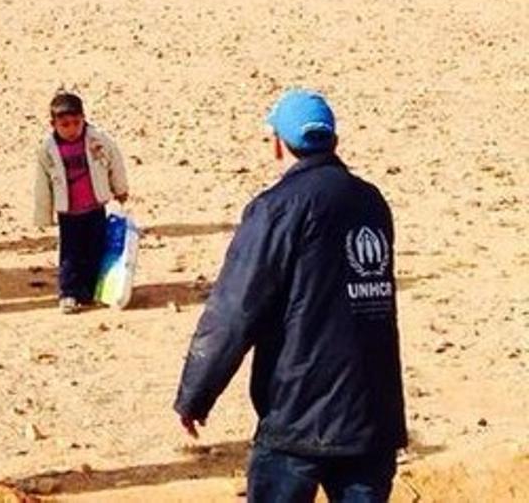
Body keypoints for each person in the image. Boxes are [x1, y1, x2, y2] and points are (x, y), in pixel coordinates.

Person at [174, 89, 407, 503]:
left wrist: (196, 393)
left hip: (297, 416)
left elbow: (235, 310)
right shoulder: (371, 202)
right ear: (333, 140)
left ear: (278, 143)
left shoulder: (277, 208)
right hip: (373, 415)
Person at [33, 92, 130, 314]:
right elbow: (42, 184)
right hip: (69, 212)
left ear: (84, 118)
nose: (71, 129)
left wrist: (120, 189)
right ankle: (69, 292)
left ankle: (91, 290)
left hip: (95, 206)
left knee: (96, 249)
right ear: (53, 124)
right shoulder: (48, 149)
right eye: (65, 124)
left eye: (76, 123)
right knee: (70, 254)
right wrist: (43, 214)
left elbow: (115, 163)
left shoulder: (97, 140)